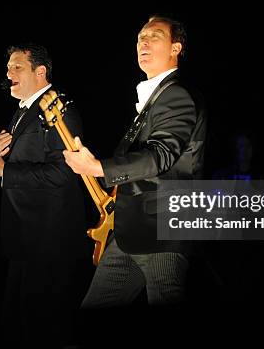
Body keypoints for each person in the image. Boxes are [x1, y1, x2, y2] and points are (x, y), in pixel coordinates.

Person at [63, 16, 207, 317]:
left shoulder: (176, 94)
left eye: (154, 36)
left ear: (175, 48)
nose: (143, 42)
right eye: (141, 37)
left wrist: (99, 167)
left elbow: (161, 156)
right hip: (130, 232)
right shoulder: (155, 98)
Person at [0, 43, 88, 348]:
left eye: (17, 67)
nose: (8, 73)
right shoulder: (24, 112)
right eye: (8, 67)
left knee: (42, 326)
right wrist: (6, 153)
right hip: (27, 238)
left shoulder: (58, 108)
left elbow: (65, 172)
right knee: (16, 323)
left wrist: (5, 171)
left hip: (49, 239)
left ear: (41, 72)